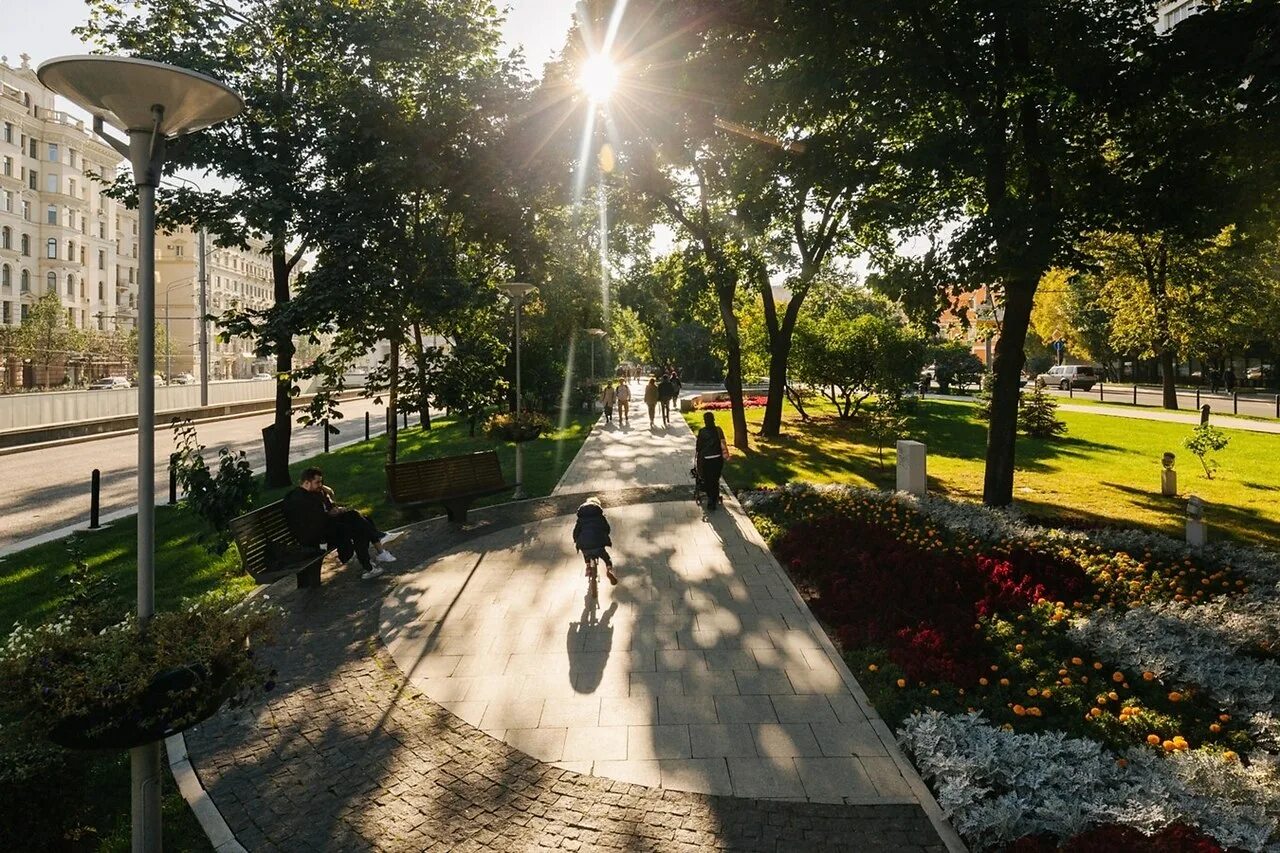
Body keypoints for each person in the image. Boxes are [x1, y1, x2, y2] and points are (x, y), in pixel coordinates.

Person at [282, 467, 398, 580]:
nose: (320, 485)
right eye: (317, 482)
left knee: (360, 517)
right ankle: (376, 550)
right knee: (358, 527)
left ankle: (373, 560)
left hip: (326, 528)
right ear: (306, 483)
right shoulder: (298, 499)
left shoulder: (313, 493)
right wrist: (331, 514)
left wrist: (335, 509)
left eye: (321, 482)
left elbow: (325, 509)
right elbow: (313, 522)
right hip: (316, 537)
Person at [572, 496, 616, 585]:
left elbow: (576, 532)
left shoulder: (580, 519)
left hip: (585, 544)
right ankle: (609, 569)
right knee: (606, 557)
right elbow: (607, 528)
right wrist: (604, 536)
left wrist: (576, 540)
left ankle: (588, 566)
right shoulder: (600, 517)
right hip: (598, 544)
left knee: (586, 552)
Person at [694, 411, 730, 511]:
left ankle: (711, 499)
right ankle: (714, 496)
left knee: (708, 479)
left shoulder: (702, 431)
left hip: (706, 459)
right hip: (717, 459)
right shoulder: (719, 430)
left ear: (705, 421)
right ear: (713, 419)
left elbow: (698, 447)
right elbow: (723, 443)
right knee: (715, 478)